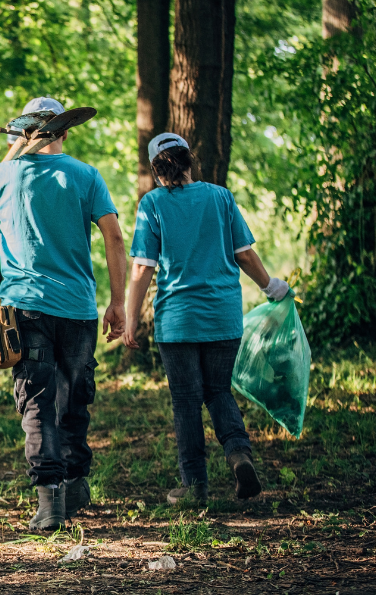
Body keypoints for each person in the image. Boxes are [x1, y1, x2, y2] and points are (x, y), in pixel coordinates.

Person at [0, 97, 128, 532]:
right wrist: (119, 301)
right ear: (64, 131)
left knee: (38, 403)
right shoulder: (86, 175)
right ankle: (76, 479)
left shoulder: (4, 176)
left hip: (26, 308)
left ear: (23, 133)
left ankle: (51, 502)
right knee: (73, 398)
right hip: (80, 309)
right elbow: (114, 239)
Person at [123, 132, 280, 504]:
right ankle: (239, 456)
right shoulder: (221, 197)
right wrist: (271, 285)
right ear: (190, 161)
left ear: (156, 170)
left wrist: (131, 318)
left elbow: (142, 269)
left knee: (186, 401)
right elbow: (244, 255)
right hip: (223, 317)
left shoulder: (153, 204)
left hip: (177, 323)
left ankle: (195, 486)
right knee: (219, 391)